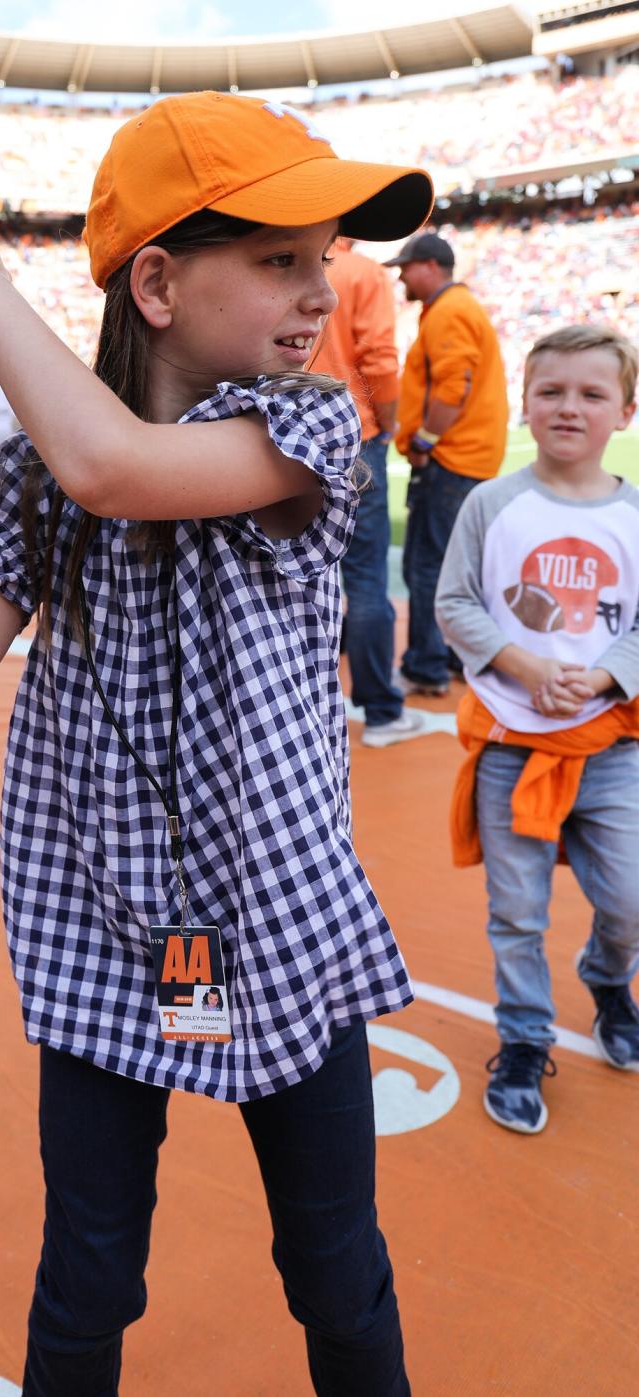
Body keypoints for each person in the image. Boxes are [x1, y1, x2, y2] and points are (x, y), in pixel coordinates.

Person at [0, 92, 434, 1395]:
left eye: (325, 260)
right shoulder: (47, 465)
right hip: (113, 929)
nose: (321, 294)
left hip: (272, 925)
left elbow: (119, 467)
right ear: (157, 279)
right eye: (280, 260)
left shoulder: (310, 425)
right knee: (89, 1268)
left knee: (335, 1265)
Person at [436, 324, 639, 1134]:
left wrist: (598, 675)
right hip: (511, 741)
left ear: (626, 410)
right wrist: (523, 665)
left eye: (592, 393)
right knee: (516, 909)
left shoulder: (634, 514)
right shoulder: (493, 503)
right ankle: (523, 1036)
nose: (569, 407)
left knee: (628, 898)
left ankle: (606, 976)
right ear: (525, 402)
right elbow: (455, 603)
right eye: (551, 391)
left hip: (609, 744)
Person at [307, 237, 424, 747]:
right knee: (366, 577)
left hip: (287, 433)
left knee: (301, 575)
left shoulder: (288, 261)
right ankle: (380, 710)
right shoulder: (362, 272)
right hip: (353, 432)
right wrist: (388, 421)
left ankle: (303, 705)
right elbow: (378, 357)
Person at [386, 231, 507, 698]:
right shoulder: (455, 308)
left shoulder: (449, 311)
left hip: (451, 460)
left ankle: (427, 665)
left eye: (406, 267)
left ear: (430, 266)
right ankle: (457, 657)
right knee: (460, 565)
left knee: (427, 566)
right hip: (468, 458)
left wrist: (424, 440)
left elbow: (454, 384)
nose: (401, 277)